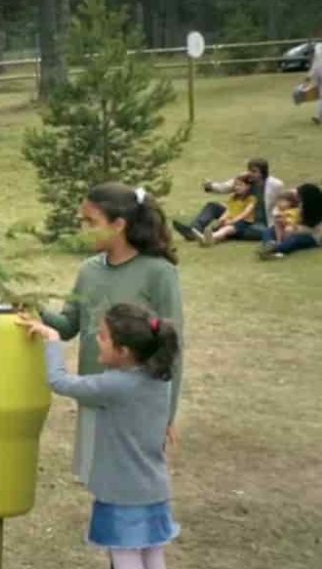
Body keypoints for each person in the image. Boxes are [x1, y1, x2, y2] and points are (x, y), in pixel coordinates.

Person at [39, 183, 184, 485]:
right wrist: (34, 308)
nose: (83, 229)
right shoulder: (89, 270)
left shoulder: (159, 273)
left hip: (137, 404)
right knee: (99, 480)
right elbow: (68, 326)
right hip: (97, 394)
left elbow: (172, 346)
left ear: (119, 225)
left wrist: (166, 415)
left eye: (91, 222)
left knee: (131, 482)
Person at [19, 303, 180, 569]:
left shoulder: (116, 386)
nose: (97, 340)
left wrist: (53, 340)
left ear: (125, 351)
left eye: (103, 337)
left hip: (121, 494)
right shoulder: (159, 378)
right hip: (154, 490)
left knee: (124, 555)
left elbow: (59, 382)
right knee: (153, 555)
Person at [173, 158, 283, 242]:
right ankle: (194, 230)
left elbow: (282, 202)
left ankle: (216, 233)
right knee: (213, 206)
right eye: (249, 170)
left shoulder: (274, 185)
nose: (250, 173)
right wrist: (210, 186)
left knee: (253, 231)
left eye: (254, 171)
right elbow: (226, 187)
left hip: (256, 223)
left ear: (263, 173)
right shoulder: (246, 179)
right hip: (237, 213)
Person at [259, 183, 322, 260]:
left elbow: (314, 230)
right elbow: (285, 198)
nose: (298, 198)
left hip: (311, 235)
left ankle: (274, 250)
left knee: (295, 240)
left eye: (300, 197)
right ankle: (269, 244)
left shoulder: (314, 210)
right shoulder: (298, 202)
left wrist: (295, 229)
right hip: (292, 228)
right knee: (268, 231)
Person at [198, 174, 257, 247]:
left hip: (243, 222)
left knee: (226, 230)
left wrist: (232, 221)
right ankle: (210, 240)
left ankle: (208, 237)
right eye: (235, 185)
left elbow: (244, 214)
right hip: (231, 219)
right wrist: (222, 219)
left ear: (248, 186)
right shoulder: (233, 197)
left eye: (240, 185)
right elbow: (229, 210)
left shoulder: (251, 199)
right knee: (220, 228)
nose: (237, 187)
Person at [309, 44, 322, 125]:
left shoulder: (318, 46)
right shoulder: (318, 46)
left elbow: (315, 62)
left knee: (320, 95)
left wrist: (310, 75)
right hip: (319, 72)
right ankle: (317, 115)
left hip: (318, 72)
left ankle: (317, 115)